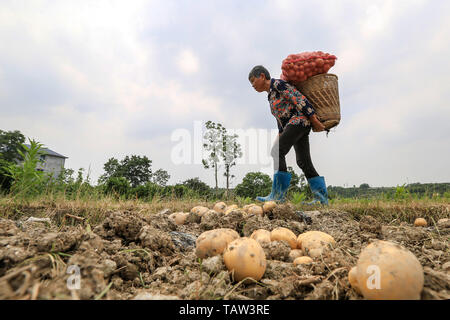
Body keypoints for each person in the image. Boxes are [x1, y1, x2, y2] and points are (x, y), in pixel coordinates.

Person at [248, 65, 328, 204]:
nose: (253, 86)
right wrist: (279, 137)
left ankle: (278, 196)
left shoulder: (278, 84)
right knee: (303, 161)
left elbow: (299, 99)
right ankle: (321, 199)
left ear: (262, 76)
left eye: (253, 81)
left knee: (276, 152)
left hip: (299, 121)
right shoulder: (270, 96)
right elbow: (281, 120)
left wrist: (314, 120)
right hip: (293, 125)